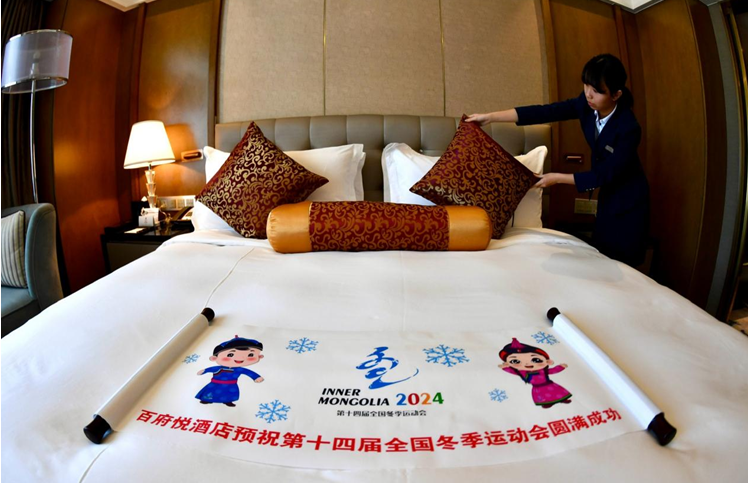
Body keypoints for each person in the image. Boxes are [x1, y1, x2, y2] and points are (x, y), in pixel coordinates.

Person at [467, 53, 649, 267]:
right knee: (603, 257)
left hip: (630, 200)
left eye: (597, 91)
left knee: (623, 263)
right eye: (586, 85)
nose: (588, 94)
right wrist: (490, 117)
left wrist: (556, 178)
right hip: (608, 195)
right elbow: (545, 112)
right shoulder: (586, 104)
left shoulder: (628, 128)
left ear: (616, 94)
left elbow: (604, 174)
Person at [498, 338, 572, 408]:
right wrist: (505, 368)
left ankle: (563, 399)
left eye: (536, 360)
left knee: (557, 392)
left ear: (547, 361)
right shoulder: (522, 372)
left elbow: (552, 370)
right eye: (515, 361)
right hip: (537, 387)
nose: (527, 364)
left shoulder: (543, 370)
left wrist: (561, 367)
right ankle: (547, 403)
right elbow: (513, 372)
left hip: (549, 384)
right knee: (543, 395)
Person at [195, 335, 265, 407]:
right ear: (214, 358)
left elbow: (248, 372)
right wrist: (204, 371)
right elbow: (211, 369)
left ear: (259, 357)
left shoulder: (239, 369)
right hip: (216, 384)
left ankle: (228, 401)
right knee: (211, 392)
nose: (240, 358)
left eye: (250, 355)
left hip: (231, 385)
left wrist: (256, 377)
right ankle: (206, 399)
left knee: (229, 394)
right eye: (230, 354)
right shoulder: (218, 368)